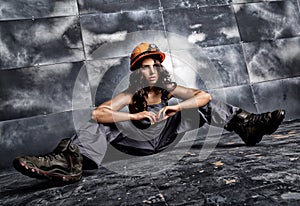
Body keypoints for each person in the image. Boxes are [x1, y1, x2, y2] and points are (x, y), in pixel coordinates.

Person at [13, 42, 286, 182]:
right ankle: (67, 164)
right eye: (145, 66)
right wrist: (132, 117)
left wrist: (175, 107)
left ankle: (248, 126)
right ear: (137, 71)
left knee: (201, 105)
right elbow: (98, 114)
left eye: (155, 65)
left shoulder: (170, 89)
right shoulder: (130, 94)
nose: (152, 70)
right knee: (97, 122)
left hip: (167, 137)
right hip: (137, 143)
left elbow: (205, 96)